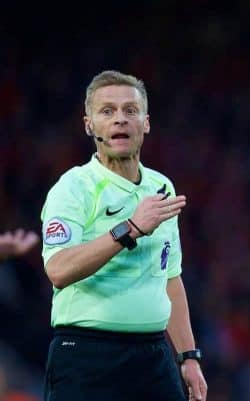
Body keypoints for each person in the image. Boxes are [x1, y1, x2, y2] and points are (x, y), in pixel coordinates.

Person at [40, 70, 207, 401]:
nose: (120, 120)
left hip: (153, 357)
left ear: (145, 123)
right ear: (89, 125)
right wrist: (129, 229)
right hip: (87, 355)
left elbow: (170, 278)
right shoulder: (73, 188)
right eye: (107, 111)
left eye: (130, 111)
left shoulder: (161, 187)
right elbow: (58, 270)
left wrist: (188, 357)